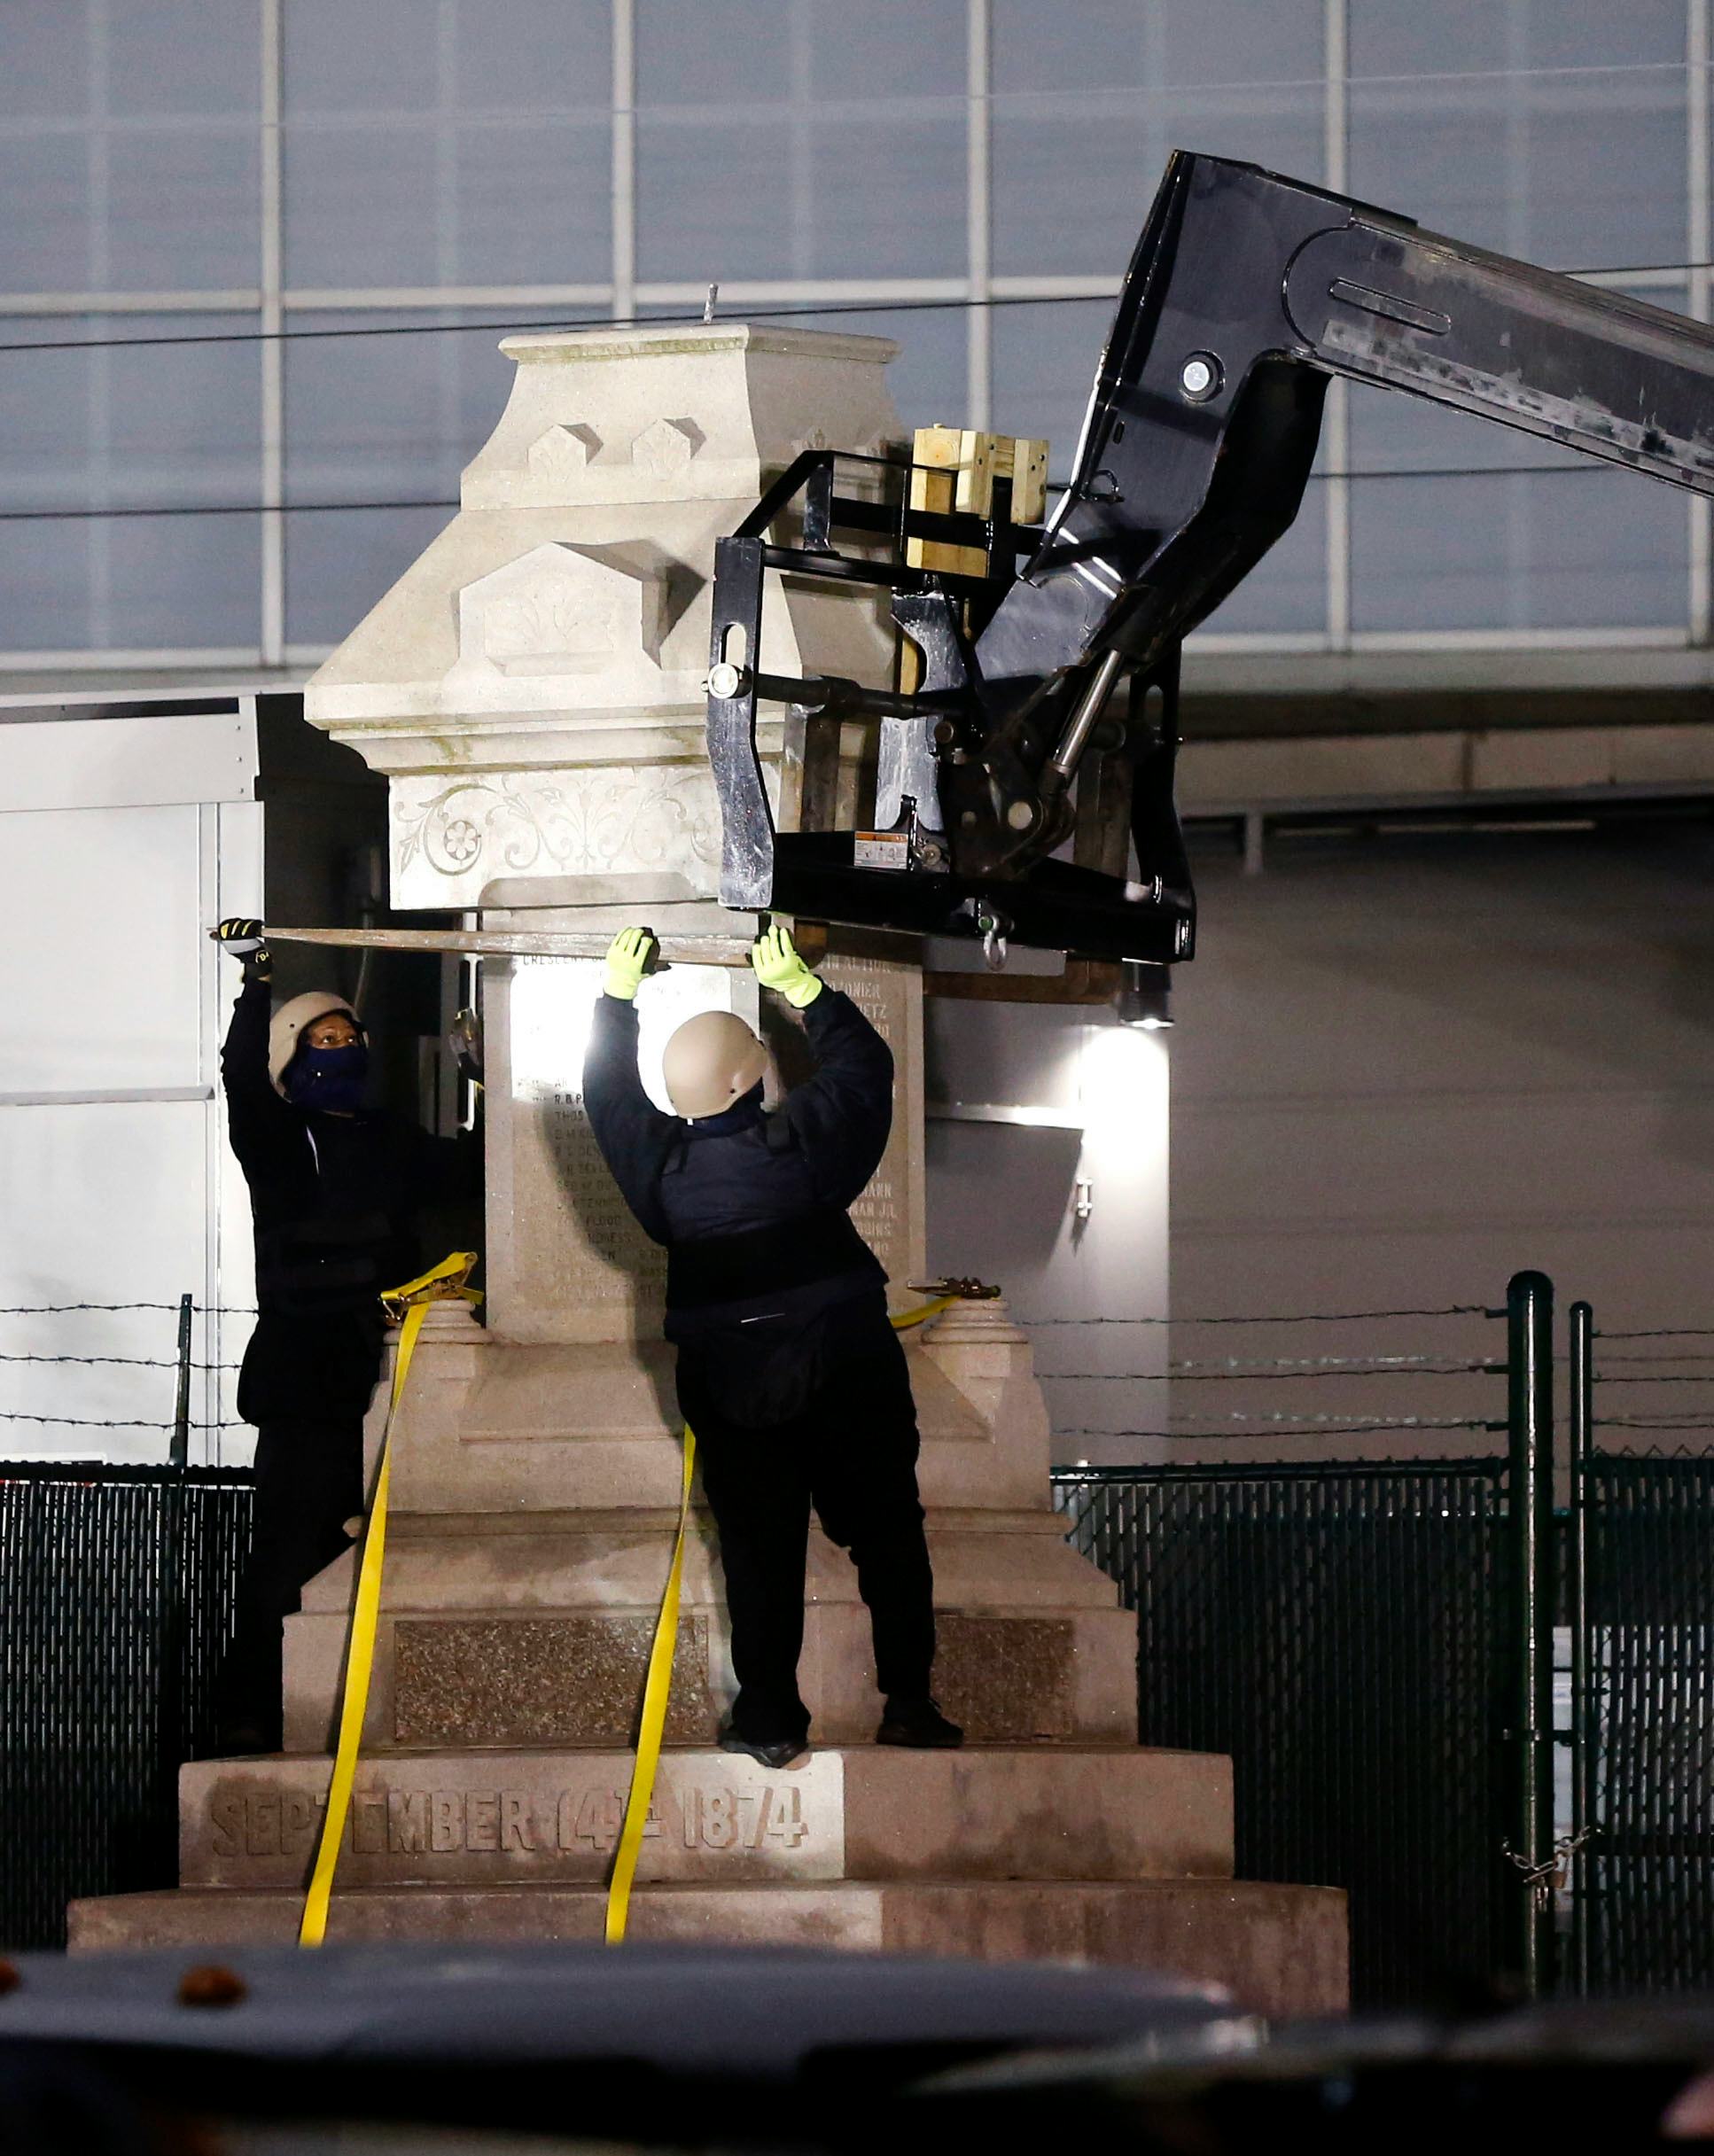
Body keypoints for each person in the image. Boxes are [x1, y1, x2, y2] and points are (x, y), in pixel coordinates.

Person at [582, 921, 962, 1768]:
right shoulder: (803, 1149)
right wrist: (804, 990)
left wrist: (616, 1001)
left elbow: (608, 1099)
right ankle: (907, 1699)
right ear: (754, 1079)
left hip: (730, 1383)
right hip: (846, 1366)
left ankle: (770, 1717)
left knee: (758, 1550)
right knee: (889, 1532)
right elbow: (866, 1073)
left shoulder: (661, 1183)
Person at [209, 915, 479, 1752]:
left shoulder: (390, 1137)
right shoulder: (280, 1140)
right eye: (321, 1036)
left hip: (388, 1366)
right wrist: (256, 983)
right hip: (305, 1374)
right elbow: (241, 1082)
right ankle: (254, 1713)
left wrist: (490, 1075)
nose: (339, 1046)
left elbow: (474, 1169)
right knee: (291, 1545)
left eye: (347, 1034)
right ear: (294, 1054)